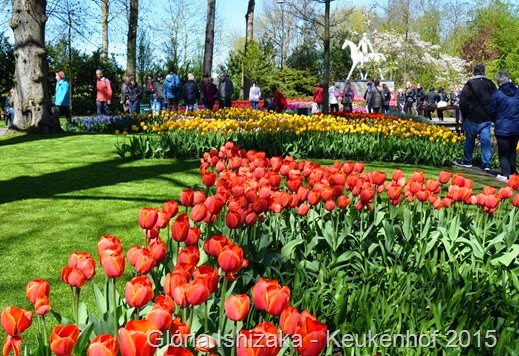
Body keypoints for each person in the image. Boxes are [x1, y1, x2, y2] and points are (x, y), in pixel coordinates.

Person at [455, 63, 497, 171]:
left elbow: (463, 102)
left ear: (474, 72)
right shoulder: (491, 84)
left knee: (470, 140)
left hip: (472, 116)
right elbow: (496, 100)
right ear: (484, 71)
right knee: (486, 141)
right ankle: (487, 163)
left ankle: (467, 160)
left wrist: (465, 115)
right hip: (486, 117)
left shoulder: (470, 84)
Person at [489, 70, 519, 181]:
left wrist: (496, 120)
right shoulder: (517, 92)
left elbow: (492, 111)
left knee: (503, 153)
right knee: (512, 151)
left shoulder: (496, 94)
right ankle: (513, 173)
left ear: (498, 81)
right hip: (516, 126)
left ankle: (505, 174)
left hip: (502, 126)